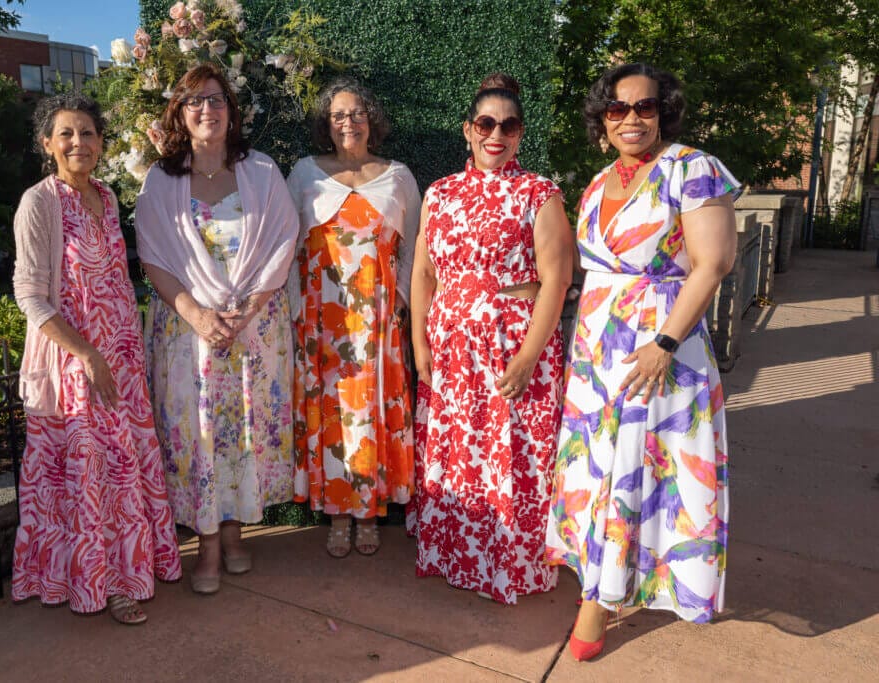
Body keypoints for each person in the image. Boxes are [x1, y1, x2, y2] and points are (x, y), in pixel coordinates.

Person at [544, 62, 739, 661]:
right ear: (602, 120)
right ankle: (602, 578)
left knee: (642, 470)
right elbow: (587, 269)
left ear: (664, 111)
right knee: (599, 467)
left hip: (660, 347)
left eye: (644, 107)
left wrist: (665, 344)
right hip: (596, 348)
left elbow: (713, 263)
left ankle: (599, 603)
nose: (630, 118)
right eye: (616, 109)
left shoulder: (691, 168)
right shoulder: (598, 181)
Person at [11, 93, 181, 625]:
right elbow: (30, 294)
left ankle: (131, 572)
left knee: (120, 473)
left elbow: (113, 282)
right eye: (66, 134)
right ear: (47, 144)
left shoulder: (107, 197)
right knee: (89, 480)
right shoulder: (39, 203)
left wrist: (125, 351)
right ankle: (103, 587)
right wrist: (86, 354)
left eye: (87, 133)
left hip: (121, 361)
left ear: (102, 143)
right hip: (75, 366)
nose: (78, 143)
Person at [409, 74, 574, 604]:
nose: (496, 134)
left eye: (509, 125)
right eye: (486, 123)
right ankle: (455, 555)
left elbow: (557, 279)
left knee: (510, 455)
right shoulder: (439, 192)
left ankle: (506, 565)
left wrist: (528, 357)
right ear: (468, 130)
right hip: (451, 349)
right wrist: (419, 346)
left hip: (512, 348)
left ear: (521, 134)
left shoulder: (539, 193)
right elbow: (423, 275)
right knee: (458, 453)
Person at [136, 65, 299, 595]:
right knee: (199, 436)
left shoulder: (263, 172)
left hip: (252, 331)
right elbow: (154, 258)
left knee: (241, 434)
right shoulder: (162, 181)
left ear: (231, 110)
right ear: (180, 115)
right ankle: (206, 544)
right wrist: (201, 316)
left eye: (216, 100)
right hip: (189, 335)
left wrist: (243, 313)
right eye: (195, 102)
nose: (208, 110)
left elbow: (281, 244)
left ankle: (234, 536)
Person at [286, 78, 420, 558]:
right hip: (322, 320)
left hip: (377, 321)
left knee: (369, 414)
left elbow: (416, 250)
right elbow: (286, 245)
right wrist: (293, 309)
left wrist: (401, 301)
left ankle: (368, 512)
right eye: (339, 114)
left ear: (372, 121)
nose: (349, 122)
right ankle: (337, 514)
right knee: (333, 415)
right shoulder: (305, 173)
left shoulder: (398, 176)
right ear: (327, 123)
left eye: (358, 113)